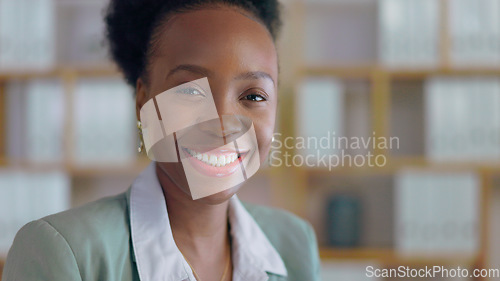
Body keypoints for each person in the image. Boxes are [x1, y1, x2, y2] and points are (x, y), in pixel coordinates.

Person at [2, 1, 320, 280]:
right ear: (143, 101)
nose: (223, 124)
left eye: (253, 95)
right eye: (190, 91)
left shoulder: (293, 241)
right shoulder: (62, 252)